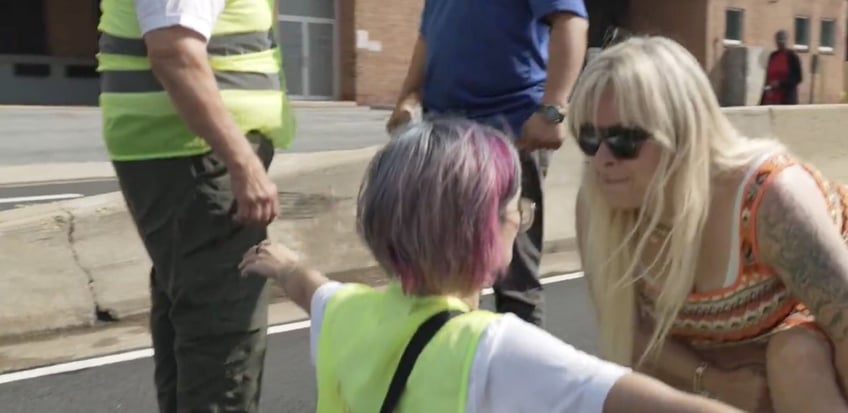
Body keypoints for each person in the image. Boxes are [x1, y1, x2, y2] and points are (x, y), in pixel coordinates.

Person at [240, 118, 743, 413]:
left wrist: (283, 264)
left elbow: (313, 288)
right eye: (515, 211)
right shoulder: (496, 349)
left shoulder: (346, 316)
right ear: (480, 228)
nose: (520, 222)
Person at [570, 35, 848, 412]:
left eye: (624, 140)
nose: (602, 158)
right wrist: (715, 381)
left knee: (794, 358)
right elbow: (632, 334)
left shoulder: (769, 198)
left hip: (817, 344)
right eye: (589, 138)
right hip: (734, 359)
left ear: (682, 133)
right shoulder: (597, 204)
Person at [96, 0, 296, 411]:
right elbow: (175, 55)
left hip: (186, 160)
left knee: (188, 315)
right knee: (224, 328)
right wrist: (241, 162)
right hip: (197, 162)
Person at [385, 0, 589, 327]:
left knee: (511, 276)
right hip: (444, 133)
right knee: (443, 273)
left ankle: (519, 381)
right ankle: (456, 370)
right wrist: (408, 96)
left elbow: (570, 19)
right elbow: (430, 32)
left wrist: (553, 107)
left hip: (510, 132)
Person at [760, 30, 802, 105]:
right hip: (770, 98)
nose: (780, 42)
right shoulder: (773, 56)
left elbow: (798, 78)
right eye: (778, 39)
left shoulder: (792, 56)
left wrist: (780, 83)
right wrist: (762, 100)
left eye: (783, 39)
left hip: (786, 99)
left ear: (786, 40)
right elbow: (767, 79)